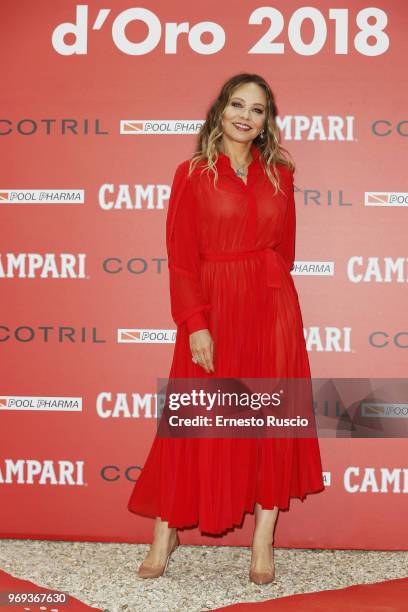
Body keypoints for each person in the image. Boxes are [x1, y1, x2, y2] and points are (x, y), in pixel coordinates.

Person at [127, 73, 325, 584]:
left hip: (272, 308)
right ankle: (164, 532)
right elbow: (182, 258)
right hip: (214, 307)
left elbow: (287, 252)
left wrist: (271, 295)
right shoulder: (192, 172)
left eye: (257, 109)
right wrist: (196, 323)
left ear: (266, 121)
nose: (246, 115)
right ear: (220, 110)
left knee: (268, 422)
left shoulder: (280, 172)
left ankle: (263, 541)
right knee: (194, 421)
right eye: (238, 104)